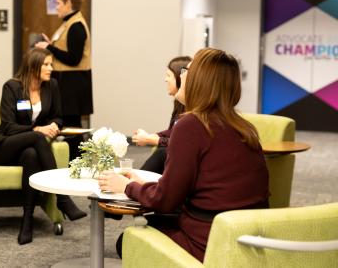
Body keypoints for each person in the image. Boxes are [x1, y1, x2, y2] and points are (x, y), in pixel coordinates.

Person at [99, 48, 270, 262]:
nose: (181, 74)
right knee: (155, 221)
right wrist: (146, 186)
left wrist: (126, 186)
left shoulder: (192, 126)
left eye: (186, 70)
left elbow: (165, 200)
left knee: (127, 240)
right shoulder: (244, 127)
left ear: (200, 80)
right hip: (249, 243)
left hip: (209, 245)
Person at [0, 48, 87, 245]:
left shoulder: (52, 86)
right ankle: (63, 198)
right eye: (47, 65)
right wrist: (37, 129)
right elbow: (8, 125)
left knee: (32, 155)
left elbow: (59, 117)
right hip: (4, 147)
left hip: (27, 150)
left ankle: (27, 220)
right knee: (37, 138)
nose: (51, 68)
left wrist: (53, 126)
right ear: (33, 66)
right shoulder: (12, 87)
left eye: (51, 64)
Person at [35, 0, 92, 160]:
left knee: (73, 128)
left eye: (58, 3)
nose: (56, 7)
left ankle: (78, 163)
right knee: (70, 127)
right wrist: (50, 45)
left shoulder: (76, 26)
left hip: (72, 85)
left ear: (69, 3)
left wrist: (49, 47)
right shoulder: (69, 23)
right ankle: (74, 162)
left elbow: (73, 59)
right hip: (67, 83)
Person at [132, 56, 192, 174]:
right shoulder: (179, 103)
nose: (166, 79)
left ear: (180, 79)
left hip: (185, 159)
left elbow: (181, 142)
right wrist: (151, 136)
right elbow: (172, 131)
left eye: (169, 75)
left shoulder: (192, 107)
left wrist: (151, 139)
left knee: (162, 153)